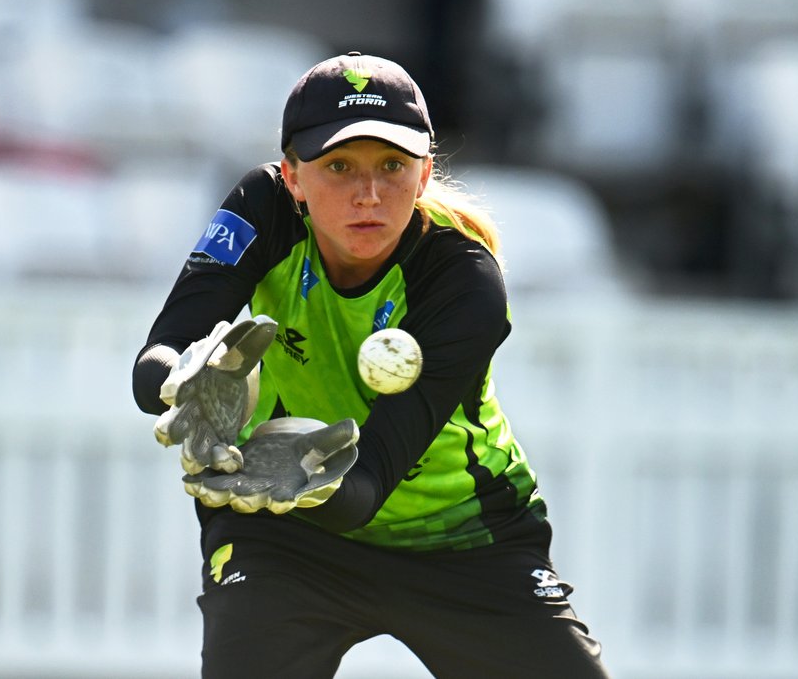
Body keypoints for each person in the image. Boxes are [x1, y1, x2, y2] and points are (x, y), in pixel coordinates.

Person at [132, 52, 609, 678]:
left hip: (464, 541)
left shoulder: (464, 282)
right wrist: (181, 383)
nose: (369, 194)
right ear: (293, 176)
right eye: (338, 166)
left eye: (392, 166)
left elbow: (367, 484)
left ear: (425, 173)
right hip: (287, 535)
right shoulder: (263, 208)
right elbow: (163, 350)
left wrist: (300, 478)